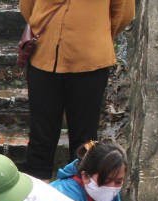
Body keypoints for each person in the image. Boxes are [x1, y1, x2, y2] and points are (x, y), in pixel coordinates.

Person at [20, 0, 136, 180]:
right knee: (40, 136)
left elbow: (124, 13)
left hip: (89, 63)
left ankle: (78, 198)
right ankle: (35, 198)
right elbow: (27, 6)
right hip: (44, 57)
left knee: (84, 140)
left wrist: (96, 35)